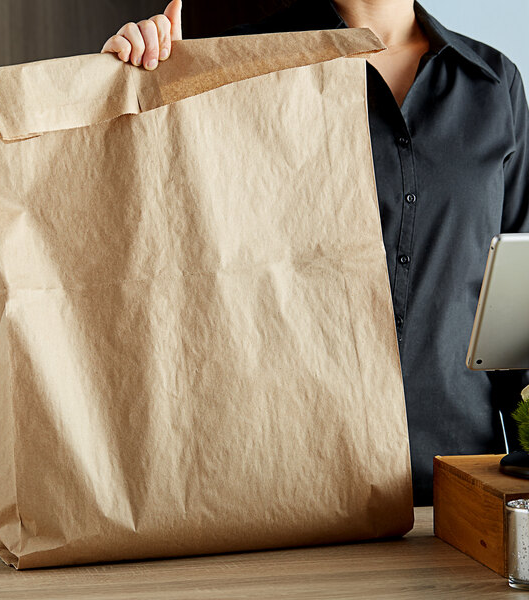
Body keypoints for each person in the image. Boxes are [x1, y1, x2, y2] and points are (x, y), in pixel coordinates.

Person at [102, 0, 529, 505]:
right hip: (288, 475)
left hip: (458, 475)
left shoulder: (493, 82)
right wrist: (130, 82)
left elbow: (515, 298)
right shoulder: (242, 59)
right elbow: (166, 232)